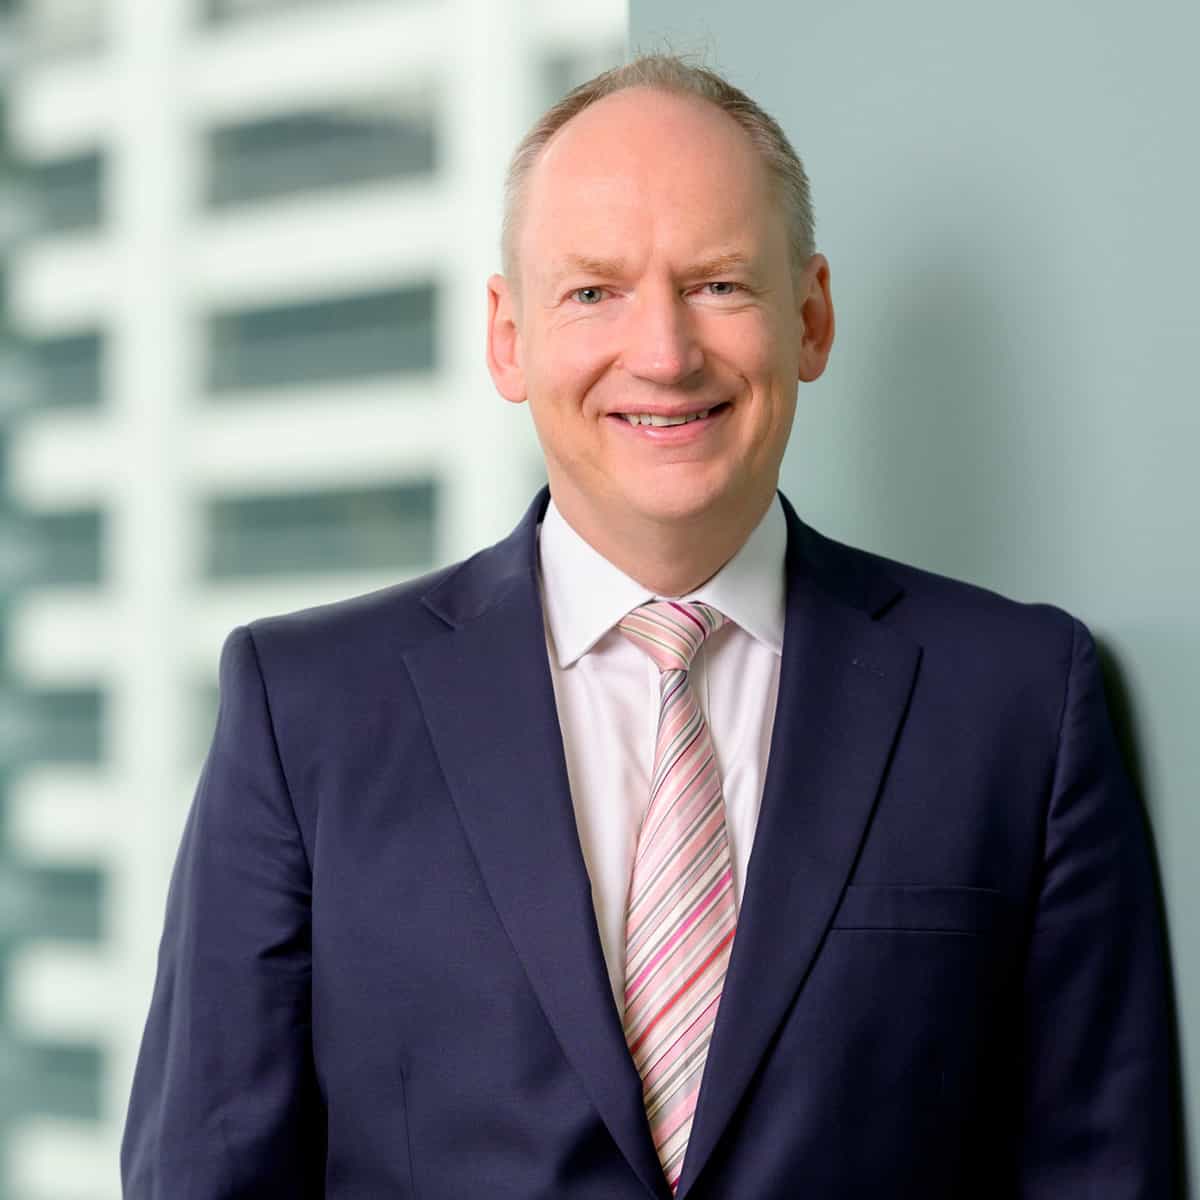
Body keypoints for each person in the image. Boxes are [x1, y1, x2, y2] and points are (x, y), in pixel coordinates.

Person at [121, 55, 1175, 1198]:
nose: (665, 353)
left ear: (810, 316)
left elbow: (1103, 1169)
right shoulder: (307, 710)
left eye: (720, 283)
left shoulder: (1022, 699)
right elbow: (206, 1175)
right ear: (507, 336)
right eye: (594, 292)